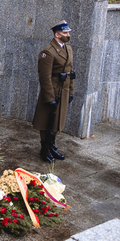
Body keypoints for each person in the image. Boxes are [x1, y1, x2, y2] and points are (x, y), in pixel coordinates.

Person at [32, 21, 76, 162]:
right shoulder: (48, 52)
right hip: (52, 92)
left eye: (68, 32)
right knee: (46, 121)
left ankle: (51, 145)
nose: (68, 35)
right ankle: (45, 148)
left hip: (63, 91)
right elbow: (44, 77)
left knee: (56, 121)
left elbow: (70, 72)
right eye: (65, 33)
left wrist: (70, 91)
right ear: (57, 35)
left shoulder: (68, 48)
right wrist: (50, 97)